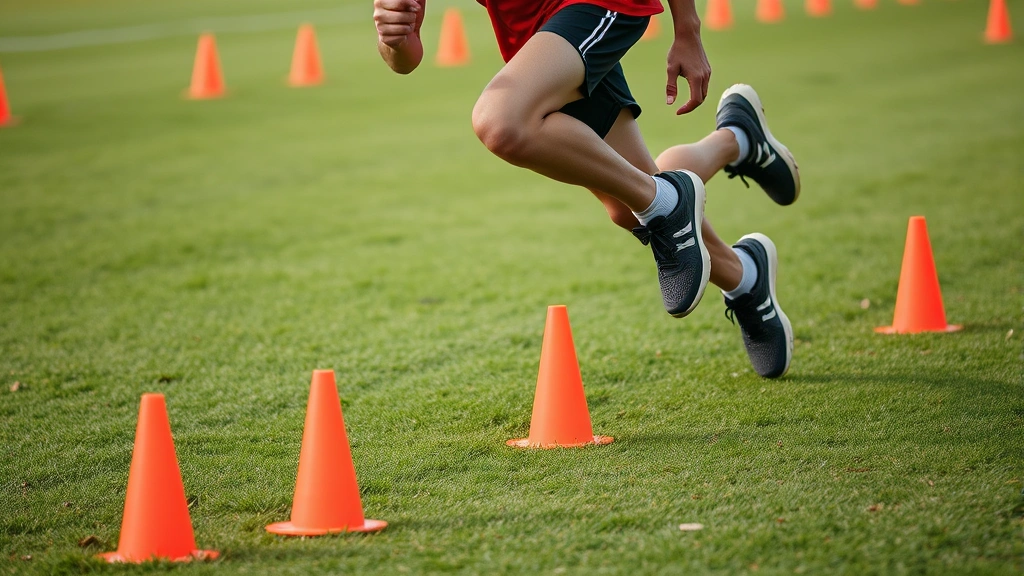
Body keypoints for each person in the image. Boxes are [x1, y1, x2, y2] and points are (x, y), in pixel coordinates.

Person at [372, 0, 799, 378]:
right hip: (539, 38)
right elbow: (406, 58)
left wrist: (687, 29)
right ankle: (744, 251)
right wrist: (393, 36)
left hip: (597, 5)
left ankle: (668, 203)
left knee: (501, 120)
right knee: (628, 206)